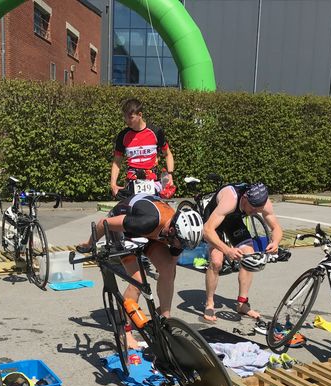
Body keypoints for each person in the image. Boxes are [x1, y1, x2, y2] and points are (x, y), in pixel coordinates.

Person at [78, 193, 203, 349]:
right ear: (172, 230)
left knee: (168, 270)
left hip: (150, 233)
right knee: (137, 282)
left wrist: (165, 310)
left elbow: (171, 262)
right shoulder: (147, 222)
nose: (180, 247)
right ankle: (125, 331)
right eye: (180, 243)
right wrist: (89, 244)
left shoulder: (179, 234)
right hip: (124, 230)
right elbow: (104, 223)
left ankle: (164, 317)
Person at [201, 182, 283, 324]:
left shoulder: (263, 203)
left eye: (258, 210)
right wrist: (227, 250)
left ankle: (242, 303)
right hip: (214, 222)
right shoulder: (230, 199)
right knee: (216, 261)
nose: (255, 212)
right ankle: (209, 303)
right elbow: (207, 231)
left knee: (249, 257)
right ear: (244, 198)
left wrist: (275, 242)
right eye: (253, 208)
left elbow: (276, 228)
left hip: (233, 221)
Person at [111, 98, 174, 200]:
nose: (127, 120)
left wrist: (170, 175)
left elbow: (167, 154)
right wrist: (113, 184)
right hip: (132, 182)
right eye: (125, 117)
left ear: (140, 115)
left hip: (152, 182)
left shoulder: (156, 131)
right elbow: (117, 162)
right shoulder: (123, 135)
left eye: (130, 117)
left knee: (151, 208)